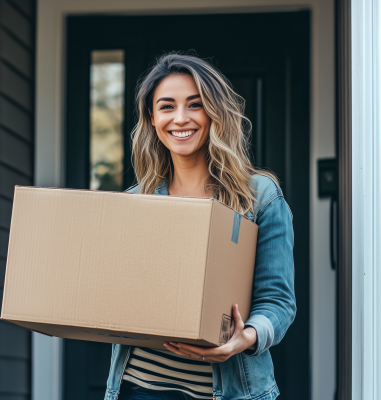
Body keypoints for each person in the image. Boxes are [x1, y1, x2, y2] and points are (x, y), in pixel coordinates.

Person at [104, 53, 296, 400]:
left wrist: (246, 338)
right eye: (167, 106)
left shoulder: (259, 197)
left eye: (195, 105)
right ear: (151, 117)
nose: (181, 118)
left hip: (227, 391)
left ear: (215, 112)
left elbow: (278, 302)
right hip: (138, 388)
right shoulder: (136, 201)